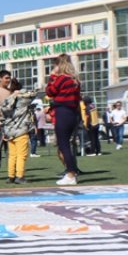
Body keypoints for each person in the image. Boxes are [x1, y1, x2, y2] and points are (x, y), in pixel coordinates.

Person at [46, 53, 82, 186]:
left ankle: (71, 174)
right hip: (72, 113)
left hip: (62, 112)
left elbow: (50, 91)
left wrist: (52, 77)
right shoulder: (75, 80)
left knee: (63, 145)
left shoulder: (61, 78)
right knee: (66, 145)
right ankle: (72, 172)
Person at [0, 78, 35, 184]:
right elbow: (33, 94)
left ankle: (11, 176)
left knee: (12, 155)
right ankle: (20, 176)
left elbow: (2, 116)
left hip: (9, 131)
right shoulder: (23, 99)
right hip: (21, 130)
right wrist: (20, 92)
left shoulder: (6, 101)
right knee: (21, 155)